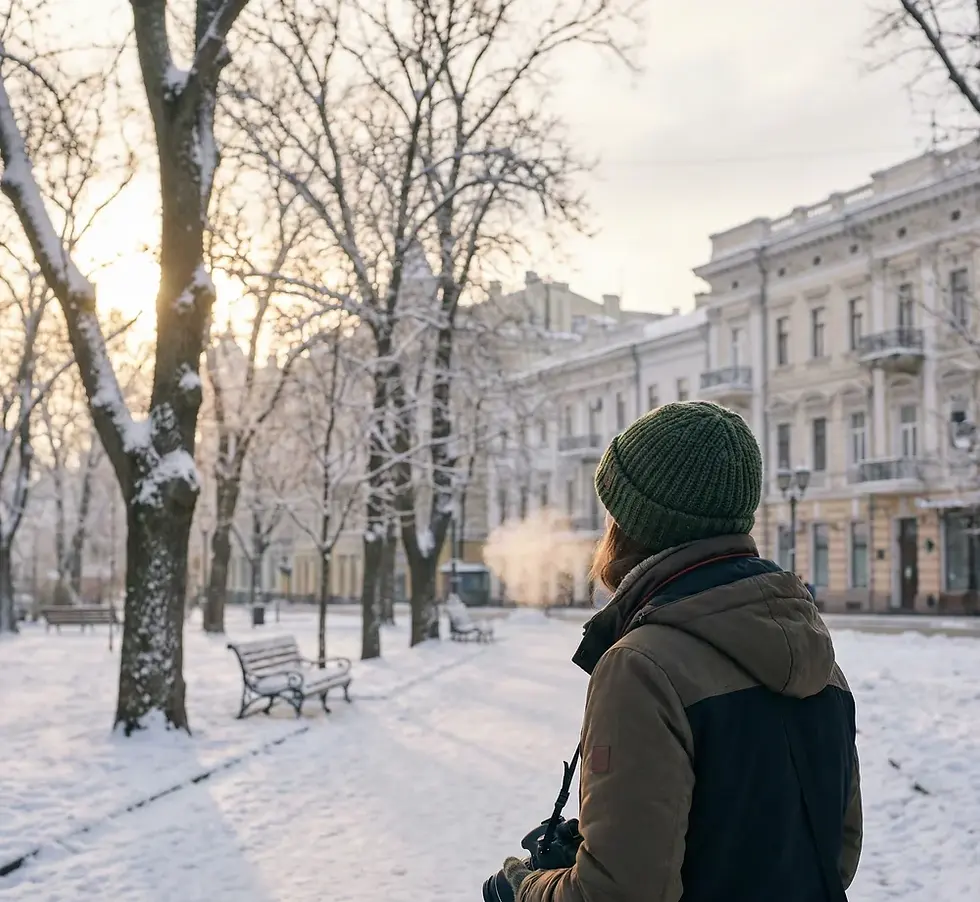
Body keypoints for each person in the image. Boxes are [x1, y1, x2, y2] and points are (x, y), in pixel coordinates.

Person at [485, 401, 862, 902]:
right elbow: (837, 853)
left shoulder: (642, 666)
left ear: (633, 524)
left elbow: (620, 894)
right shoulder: (820, 661)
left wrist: (528, 888)